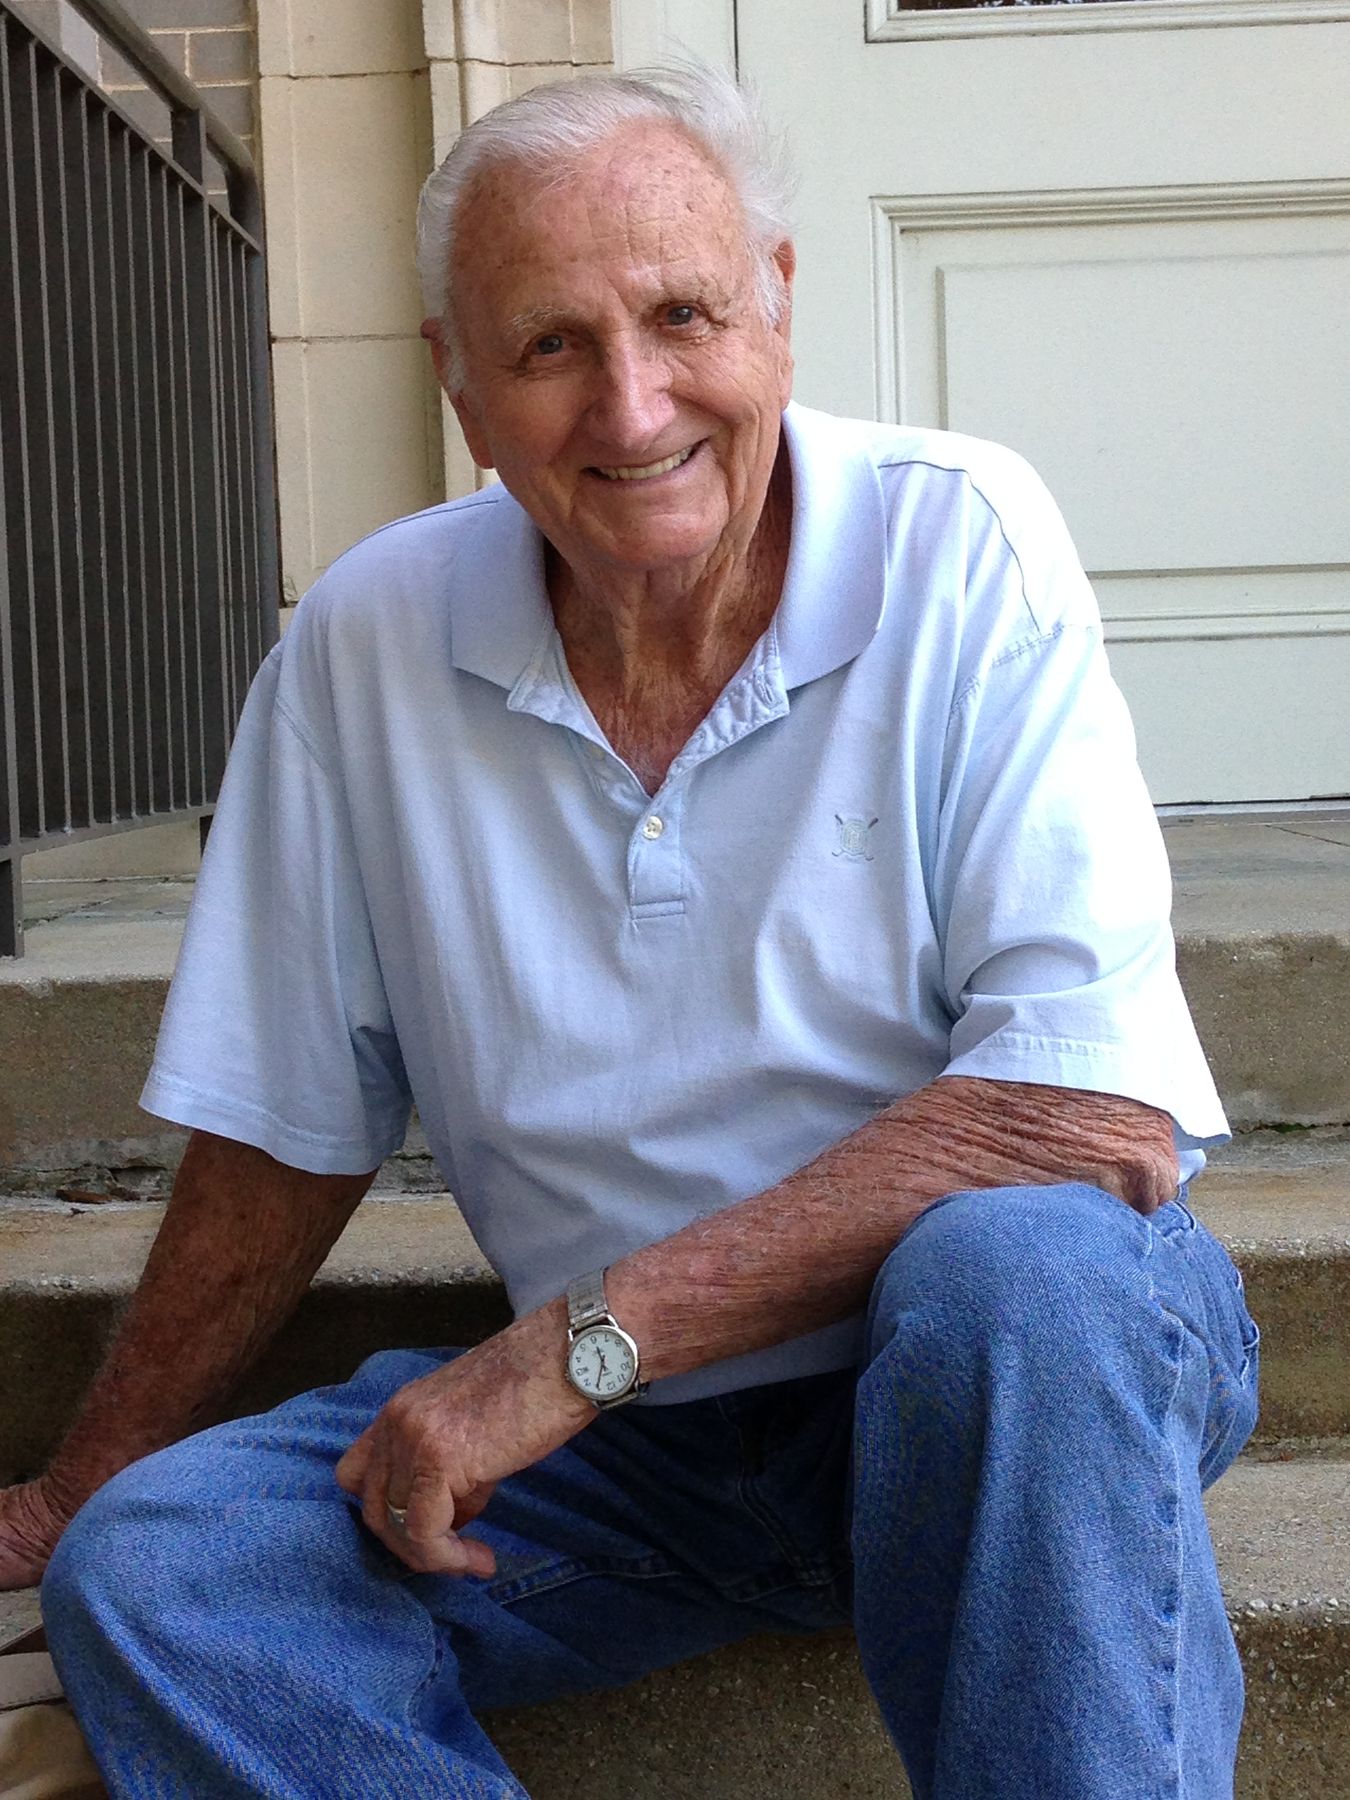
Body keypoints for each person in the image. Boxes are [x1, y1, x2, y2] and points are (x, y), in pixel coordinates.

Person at [0, 64, 1257, 1800]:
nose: (632, 401)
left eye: (681, 315)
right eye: (548, 345)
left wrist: (576, 1344)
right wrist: (86, 1483)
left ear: (779, 305)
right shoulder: (367, 640)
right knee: (164, 1569)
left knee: (1014, 1275)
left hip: (1004, 1395)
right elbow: (287, 1120)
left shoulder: (956, 536)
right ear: (457, 383)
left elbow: (1079, 1111)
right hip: (638, 1463)